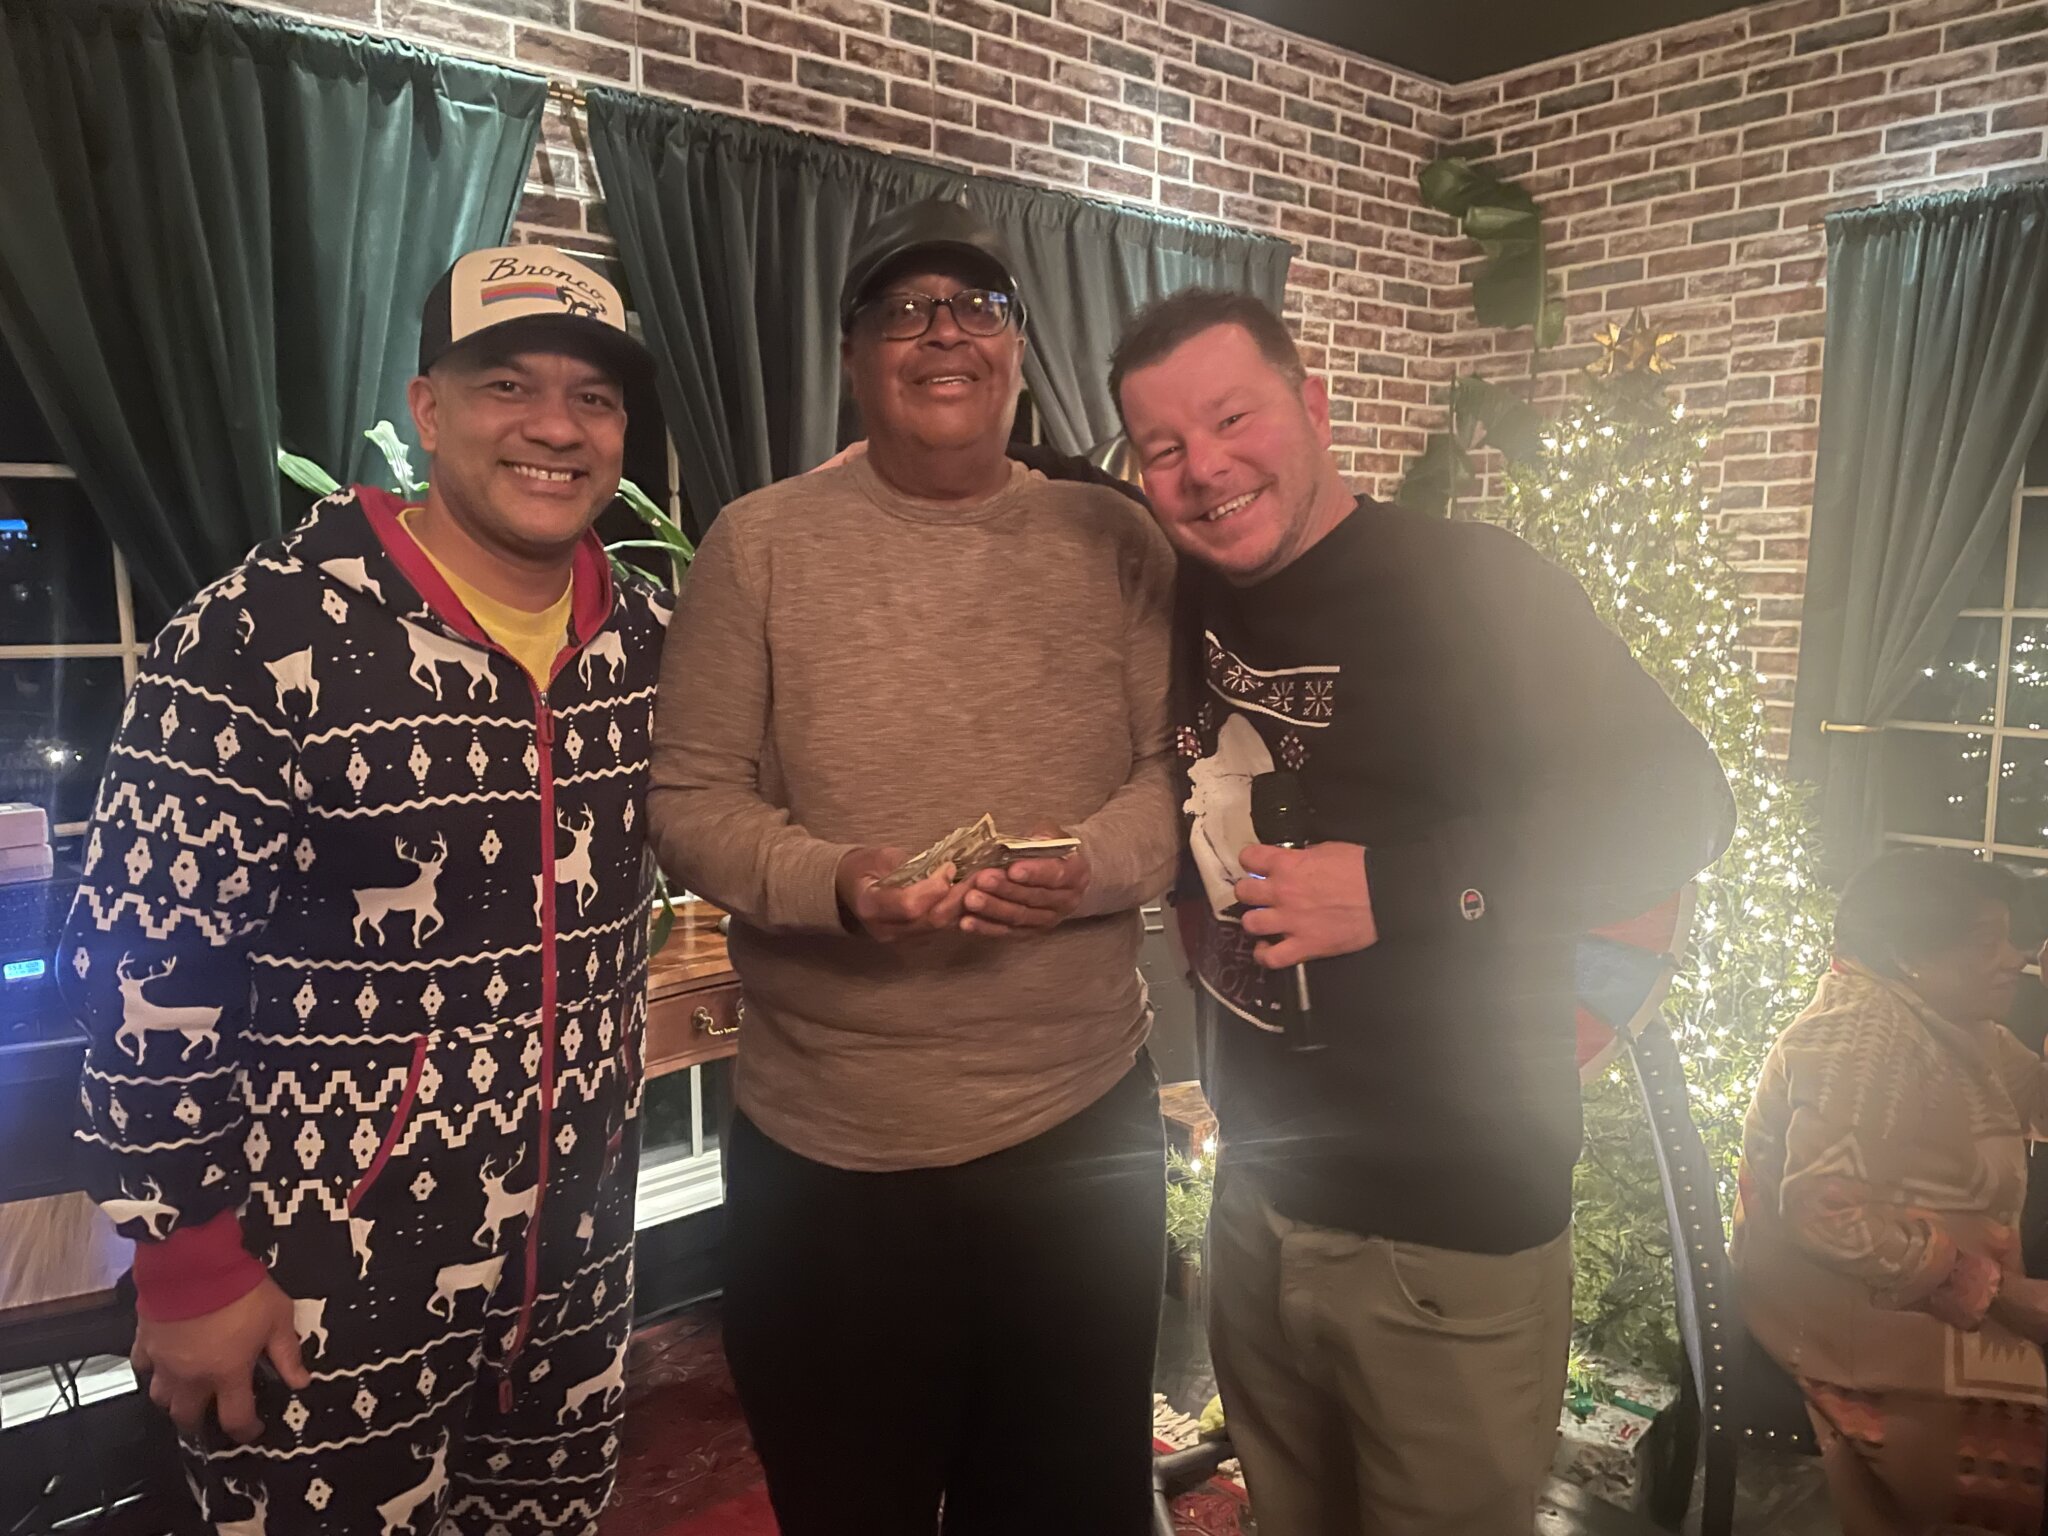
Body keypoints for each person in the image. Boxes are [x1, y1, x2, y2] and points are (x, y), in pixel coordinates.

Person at [61, 246, 672, 1534]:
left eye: (595, 397)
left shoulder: (653, 638)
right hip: (315, 1290)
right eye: (508, 384)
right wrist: (183, 1260)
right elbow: (136, 970)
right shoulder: (253, 639)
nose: (555, 426)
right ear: (429, 407)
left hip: (573, 1271)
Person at [1110, 288, 1736, 1536]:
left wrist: (1397, 887)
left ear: (1313, 405)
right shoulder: (1177, 597)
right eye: (1164, 449)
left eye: (1232, 418)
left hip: (1445, 1230)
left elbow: (1680, 812)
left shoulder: (1474, 587)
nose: (1206, 469)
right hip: (1257, 1200)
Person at [647, 197, 1178, 1534]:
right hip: (831, 1162)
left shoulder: (1115, 541)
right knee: (852, 1505)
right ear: (853, 356)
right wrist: (839, 885)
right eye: (904, 310)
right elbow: (689, 803)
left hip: (1081, 1131)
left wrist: (1092, 866)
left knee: (1066, 1506)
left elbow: (1177, 782)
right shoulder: (757, 546)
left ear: (1015, 351)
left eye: (976, 308)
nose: (943, 332)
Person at [1734, 848, 2048, 1536]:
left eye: (2012, 938)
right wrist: (1990, 1290)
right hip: (1837, 1317)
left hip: (1901, 1298)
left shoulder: (1950, 1024)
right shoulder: (1860, 1032)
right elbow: (1825, 1212)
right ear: (1911, 951)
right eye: (1984, 941)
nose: (2017, 957)